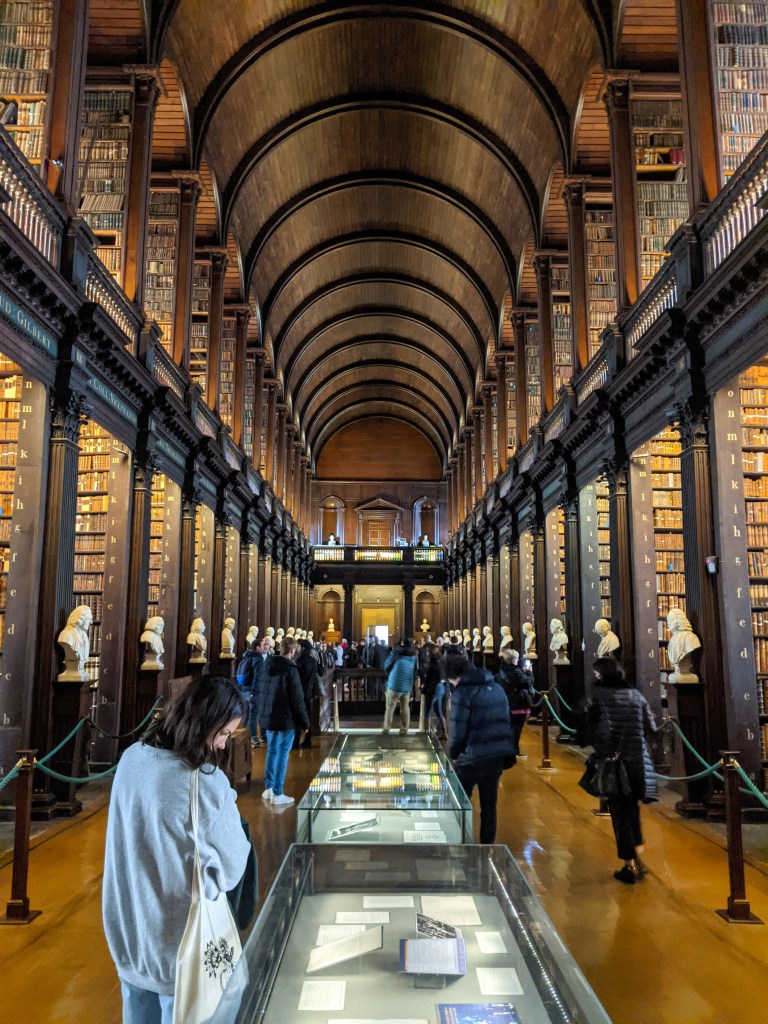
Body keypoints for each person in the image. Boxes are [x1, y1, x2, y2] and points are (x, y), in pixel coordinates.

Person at [102, 675, 251, 1023]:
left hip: (129, 928)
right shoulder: (201, 782)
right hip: (177, 938)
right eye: (224, 733)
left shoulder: (131, 759)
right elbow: (231, 867)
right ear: (204, 723)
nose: (221, 745)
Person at [575, 656, 658, 884]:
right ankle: (636, 851)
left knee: (620, 813)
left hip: (614, 762)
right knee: (632, 809)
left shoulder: (598, 695)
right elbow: (651, 726)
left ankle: (629, 865)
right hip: (638, 762)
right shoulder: (635, 695)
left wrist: (595, 740)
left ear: (601, 674)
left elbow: (582, 717)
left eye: (596, 674)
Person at [445, 652, 516, 843]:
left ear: (455, 676)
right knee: (489, 806)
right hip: (495, 756)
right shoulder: (496, 687)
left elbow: (458, 731)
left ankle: (461, 844)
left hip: (471, 757)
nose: (451, 685)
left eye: (450, 680)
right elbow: (506, 720)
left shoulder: (462, 693)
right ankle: (487, 849)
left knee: (460, 804)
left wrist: (453, 754)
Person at [258, 637, 310, 805]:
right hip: (286, 718)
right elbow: (297, 698)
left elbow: (261, 691)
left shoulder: (267, 665)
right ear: (292, 651)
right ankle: (278, 792)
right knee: (282, 754)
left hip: (269, 716)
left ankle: (268, 789)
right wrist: (305, 722)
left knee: (272, 751)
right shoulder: (290, 669)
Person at [496, 648, 535, 754]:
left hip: (505, 702)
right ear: (514, 660)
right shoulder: (516, 672)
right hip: (517, 703)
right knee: (516, 727)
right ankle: (514, 749)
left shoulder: (502, 670)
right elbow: (528, 683)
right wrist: (529, 672)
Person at [237, 635, 268, 748]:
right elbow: (257, 677)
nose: (265, 647)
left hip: (244, 689)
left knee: (246, 714)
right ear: (257, 648)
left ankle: (244, 738)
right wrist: (255, 692)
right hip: (253, 690)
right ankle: (253, 737)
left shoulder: (247, 656)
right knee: (253, 715)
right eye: (262, 645)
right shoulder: (258, 658)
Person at [382, 637, 417, 735]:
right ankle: (404, 730)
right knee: (405, 707)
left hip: (394, 684)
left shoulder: (396, 653)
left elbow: (386, 665)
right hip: (407, 685)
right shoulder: (413, 656)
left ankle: (386, 729)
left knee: (390, 707)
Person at [295, 638, 320, 748]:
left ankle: (296, 741)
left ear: (303, 648)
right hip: (309, 692)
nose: (297, 648)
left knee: (298, 716)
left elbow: (297, 678)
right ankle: (308, 739)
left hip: (301, 692)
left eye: (298, 646)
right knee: (307, 715)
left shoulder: (300, 660)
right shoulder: (312, 660)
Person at [420, 641, 446, 738]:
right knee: (438, 711)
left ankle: (425, 733)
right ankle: (444, 733)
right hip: (440, 687)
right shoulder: (442, 659)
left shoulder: (434, 662)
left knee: (427, 711)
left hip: (432, 687)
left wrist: (424, 688)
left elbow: (430, 677)